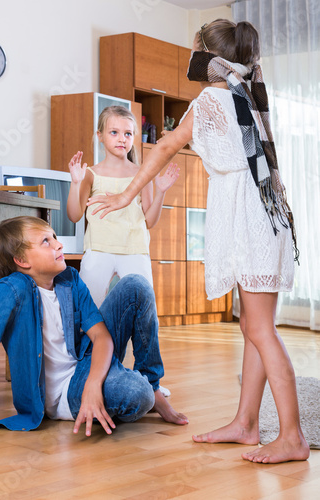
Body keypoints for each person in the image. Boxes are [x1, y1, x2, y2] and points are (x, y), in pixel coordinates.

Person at [87, 20, 310, 464]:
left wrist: (127, 194)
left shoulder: (212, 97)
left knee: (261, 328)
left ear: (208, 58)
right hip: (260, 214)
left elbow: (166, 145)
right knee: (252, 326)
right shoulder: (244, 95)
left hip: (250, 217)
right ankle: (247, 423)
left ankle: (292, 436)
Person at [0, 216, 187, 435]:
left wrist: (94, 383)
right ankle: (133, 389)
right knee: (135, 394)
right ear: (22, 261)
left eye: (55, 237)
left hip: (86, 365)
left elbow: (102, 337)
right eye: (46, 242)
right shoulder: (9, 292)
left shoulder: (70, 279)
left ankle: (151, 383)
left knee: (136, 285)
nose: (58, 244)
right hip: (62, 394)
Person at [66, 105, 179, 309]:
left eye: (128, 133)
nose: (122, 139)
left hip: (135, 249)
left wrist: (161, 191)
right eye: (114, 132)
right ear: (100, 136)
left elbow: (149, 221)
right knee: (87, 309)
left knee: (142, 310)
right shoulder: (90, 174)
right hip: (98, 249)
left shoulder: (143, 174)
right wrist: (75, 184)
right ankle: (92, 343)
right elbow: (74, 215)